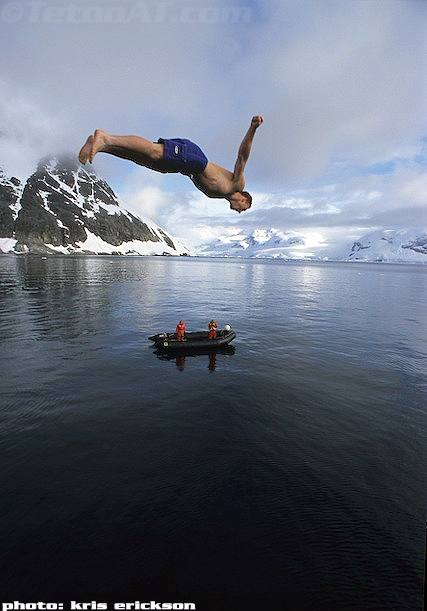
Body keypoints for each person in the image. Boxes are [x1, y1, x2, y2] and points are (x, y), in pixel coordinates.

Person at [78, 116, 263, 213]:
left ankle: (101, 146)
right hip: (193, 158)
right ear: (244, 199)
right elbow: (242, 157)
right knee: (151, 150)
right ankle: (106, 137)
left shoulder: (220, 196)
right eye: (243, 209)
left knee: (141, 159)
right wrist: (252, 128)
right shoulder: (238, 184)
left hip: (183, 169)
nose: (238, 211)